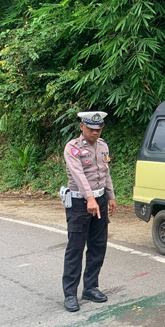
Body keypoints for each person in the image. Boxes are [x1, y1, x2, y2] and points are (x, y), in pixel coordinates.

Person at [61, 111, 117, 312]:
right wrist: (90, 198)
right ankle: (70, 294)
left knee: (98, 245)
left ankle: (91, 287)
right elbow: (78, 175)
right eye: (91, 129)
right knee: (75, 248)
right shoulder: (72, 148)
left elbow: (105, 172)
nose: (95, 132)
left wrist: (110, 196)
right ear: (81, 127)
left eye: (99, 129)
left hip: (100, 200)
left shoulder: (103, 146)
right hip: (79, 203)